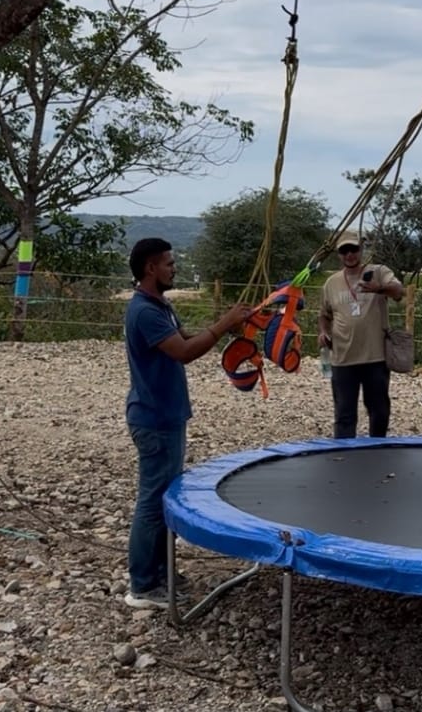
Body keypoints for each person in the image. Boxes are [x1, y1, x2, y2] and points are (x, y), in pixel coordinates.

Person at [123, 237, 250, 609]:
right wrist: (224, 323)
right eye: (169, 263)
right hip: (155, 418)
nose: (174, 268)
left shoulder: (159, 306)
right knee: (152, 501)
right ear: (151, 268)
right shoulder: (145, 311)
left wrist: (225, 329)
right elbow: (183, 353)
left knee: (163, 497)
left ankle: (159, 571)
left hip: (166, 414)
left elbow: (184, 340)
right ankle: (143, 584)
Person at [318, 230, 405, 438]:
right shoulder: (331, 283)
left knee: (379, 410)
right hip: (342, 358)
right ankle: (343, 458)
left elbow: (399, 292)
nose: (349, 255)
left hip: (375, 357)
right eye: (344, 250)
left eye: (353, 249)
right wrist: (323, 332)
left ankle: (377, 451)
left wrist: (378, 288)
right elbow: (324, 314)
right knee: (344, 414)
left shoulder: (379, 271)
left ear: (361, 249)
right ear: (339, 254)